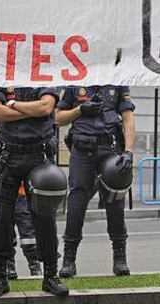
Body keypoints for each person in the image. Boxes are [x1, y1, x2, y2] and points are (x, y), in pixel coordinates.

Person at [0, 86, 69, 298]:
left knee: (44, 219)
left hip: (38, 156)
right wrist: (30, 111)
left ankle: (50, 276)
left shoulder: (41, 73)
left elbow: (46, 107)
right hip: (8, 156)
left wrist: (12, 105)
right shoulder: (3, 75)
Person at [55, 86, 135, 278]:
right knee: (76, 203)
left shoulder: (116, 79)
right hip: (82, 150)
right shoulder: (75, 80)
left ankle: (120, 258)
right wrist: (80, 110)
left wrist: (129, 152)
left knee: (115, 203)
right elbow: (57, 118)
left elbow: (127, 117)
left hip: (110, 148)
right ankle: (68, 260)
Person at [7, 183, 42, 279]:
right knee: (5, 232)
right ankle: (9, 266)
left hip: (21, 193)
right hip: (6, 193)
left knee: (28, 235)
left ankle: (35, 267)